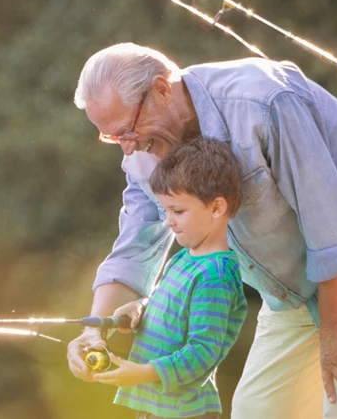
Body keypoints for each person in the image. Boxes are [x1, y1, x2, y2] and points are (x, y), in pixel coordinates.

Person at [65, 44, 337, 418]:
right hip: (297, 284)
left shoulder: (260, 100)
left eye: (127, 130)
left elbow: (328, 221)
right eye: (113, 138)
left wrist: (333, 326)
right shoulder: (143, 155)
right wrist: (95, 328)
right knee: (257, 411)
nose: (128, 149)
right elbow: (134, 247)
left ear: (162, 90)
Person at [92, 138, 250, 419]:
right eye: (165, 211)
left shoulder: (215, 275)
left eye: (178, 211)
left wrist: (144, 373)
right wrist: (142, 306)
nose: (168, 221)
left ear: (216, 207)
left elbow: (203, 351)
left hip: (184, 412)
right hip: (155, 408)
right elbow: (172, 304)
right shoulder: (185, 258)